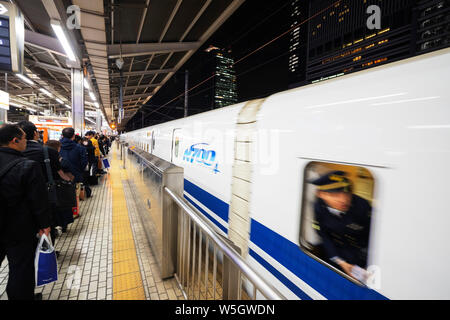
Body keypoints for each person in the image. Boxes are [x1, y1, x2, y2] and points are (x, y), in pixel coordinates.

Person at [0, 124, 51, 300]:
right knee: (20, 269)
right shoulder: (27, 166)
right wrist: (44, 225)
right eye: (23, 140)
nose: (26, 144)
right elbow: (38, 200)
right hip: (18, 229)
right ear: (15, 141)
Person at [310, 171, 371, 280]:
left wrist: (368, 264)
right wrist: (340, 261)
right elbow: (323, 234)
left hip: (360, 257)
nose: (344, 200)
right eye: (334, 194)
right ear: (320, 194)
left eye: (347, 193)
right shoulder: (318, 207)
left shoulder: (363, 206)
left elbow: (372, 237)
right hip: (334, 254)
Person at [18, 121, 71, 243]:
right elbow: (60, 172)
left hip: (19, 197)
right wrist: (70, 182)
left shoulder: (15, 153)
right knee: (47, 221)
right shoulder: (48, 151)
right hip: (45, 194)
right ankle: (48, 250)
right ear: (36, 134)